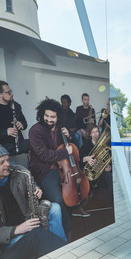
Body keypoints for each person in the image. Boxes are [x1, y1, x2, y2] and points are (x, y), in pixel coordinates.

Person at [0, 141, 67, 259]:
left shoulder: (19, 172)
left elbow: (31, 182)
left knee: (55, 208)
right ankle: (58, 256)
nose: (7, 164)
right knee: (36, 236)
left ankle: (62, 252)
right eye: (1, 163)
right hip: (8, 237)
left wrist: (36, 189)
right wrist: (16, 229)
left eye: (7, 160)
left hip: (26, 218)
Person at [28, 98, 89, 236]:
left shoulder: (61, 127)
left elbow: (67, 146)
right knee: (58, 199)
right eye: (46, 116)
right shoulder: (35, 130)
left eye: (52, 117)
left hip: (61, 169)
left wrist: (69, 137)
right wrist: (64, 152)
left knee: (76, 186)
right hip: (44, 171)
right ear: (41, 115)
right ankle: (68, 228)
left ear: (58, 117)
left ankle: (77, 208)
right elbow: (44, 154)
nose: (49, 119)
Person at [0, 80, 29, 155]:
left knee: (34, 143)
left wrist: (21, 124)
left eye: (11, 91)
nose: (12, 94)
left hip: (16, 144)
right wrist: (5, 132)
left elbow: (24, 123)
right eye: (8, 92)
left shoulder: (16, 106)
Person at [80, 124, 112, 194]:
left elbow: (108, 156)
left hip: (101, 169)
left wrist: (109, 165)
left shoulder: (104, 144)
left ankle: (112, 198)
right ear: (90, 134)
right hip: (91, 171)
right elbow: (79, 159)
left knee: (109, 175)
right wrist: (86, 158)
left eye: (97, 131)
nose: (95, 134)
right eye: (93, 132)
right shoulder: (85, 145)